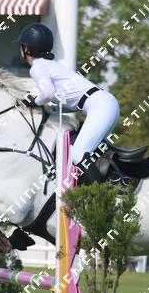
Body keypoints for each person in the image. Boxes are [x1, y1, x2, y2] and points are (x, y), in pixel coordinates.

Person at [14, 23, 118, 184]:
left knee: (77, 154)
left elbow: (47, 93)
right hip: (104, 104)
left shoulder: (37, 67)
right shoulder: (51, 65)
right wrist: (51, 109)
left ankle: (100, 195)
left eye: (22, 46)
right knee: (93, 153)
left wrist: (34, 102)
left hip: (100, 107)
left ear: (27, 48)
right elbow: (68, 103)